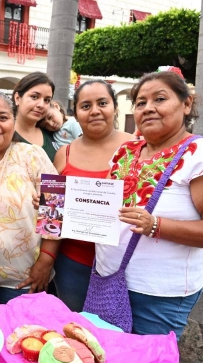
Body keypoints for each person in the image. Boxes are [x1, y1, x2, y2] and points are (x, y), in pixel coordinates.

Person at [94, 70, 203, 338]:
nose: (148, 108)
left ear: (186, 104)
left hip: (158, 297)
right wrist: (57, 206)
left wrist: (156, 226)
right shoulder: (126, 152)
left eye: (160, 99)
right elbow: (102, 206)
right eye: (141, 103)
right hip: (107, 282)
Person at [0, 92, 59, 304]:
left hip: (24, 280)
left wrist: (46, 261)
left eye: (3, 117)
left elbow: (56, 209)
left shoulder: (33, 155)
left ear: (14, 121)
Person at [52, 80, 134, 312]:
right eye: (86, 106)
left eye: (102, 103)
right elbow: (54, 212)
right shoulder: (63, 154)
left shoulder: (137, 148)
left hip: (123, 266)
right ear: (76, 114)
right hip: (72, 263)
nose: (95, 111)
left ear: (115, 108)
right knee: (76, 331)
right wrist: (46, 204)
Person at [12, 72, 57, 161]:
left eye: (47, 100)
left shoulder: (53, 133)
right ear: (17, 98)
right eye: (34, 97)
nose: (41, 105)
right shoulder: (3, 135)